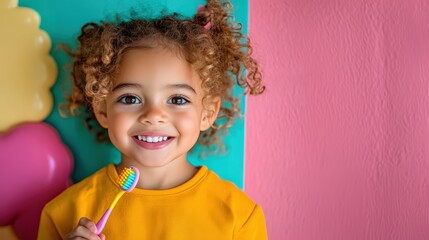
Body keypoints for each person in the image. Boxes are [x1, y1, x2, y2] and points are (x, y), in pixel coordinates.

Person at [37, 0, 267, 239]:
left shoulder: (240, 216)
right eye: (130, 99)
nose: (153, 115)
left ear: (207, 113)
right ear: (103, 110)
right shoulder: (63, 214)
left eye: (177, 100)